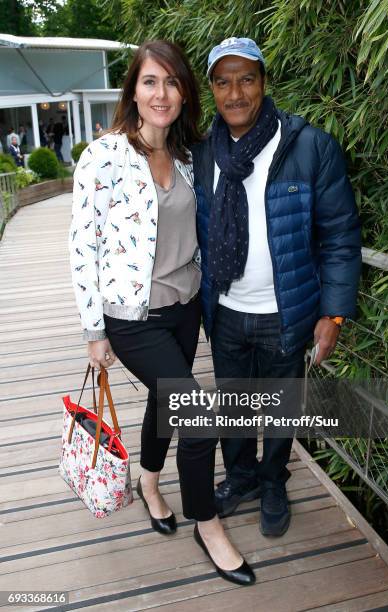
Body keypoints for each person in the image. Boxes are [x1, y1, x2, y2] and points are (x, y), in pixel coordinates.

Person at [69, 39, 255, 586]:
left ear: (183, 93)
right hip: (130, 317)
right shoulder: (103, 157)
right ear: (133, 89)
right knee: (195, 414)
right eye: (150, 81)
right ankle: (207, 521)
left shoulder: (191, 155)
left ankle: (150, 482)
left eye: (172, 82)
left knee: (165, 398)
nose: (161, 93)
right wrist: (93, 329)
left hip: (184, 307)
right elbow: (84, 245)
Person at [193, 37, 361, 537]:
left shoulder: (309, 146)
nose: (235, 93)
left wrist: (332, 315)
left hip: (285, 312)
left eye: (246, 79)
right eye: (223, 82)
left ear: (264, 83)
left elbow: (339, 237)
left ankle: (273, 483)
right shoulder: (203, 152)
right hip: (224, 309)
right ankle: (241, 477)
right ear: (212, 91)